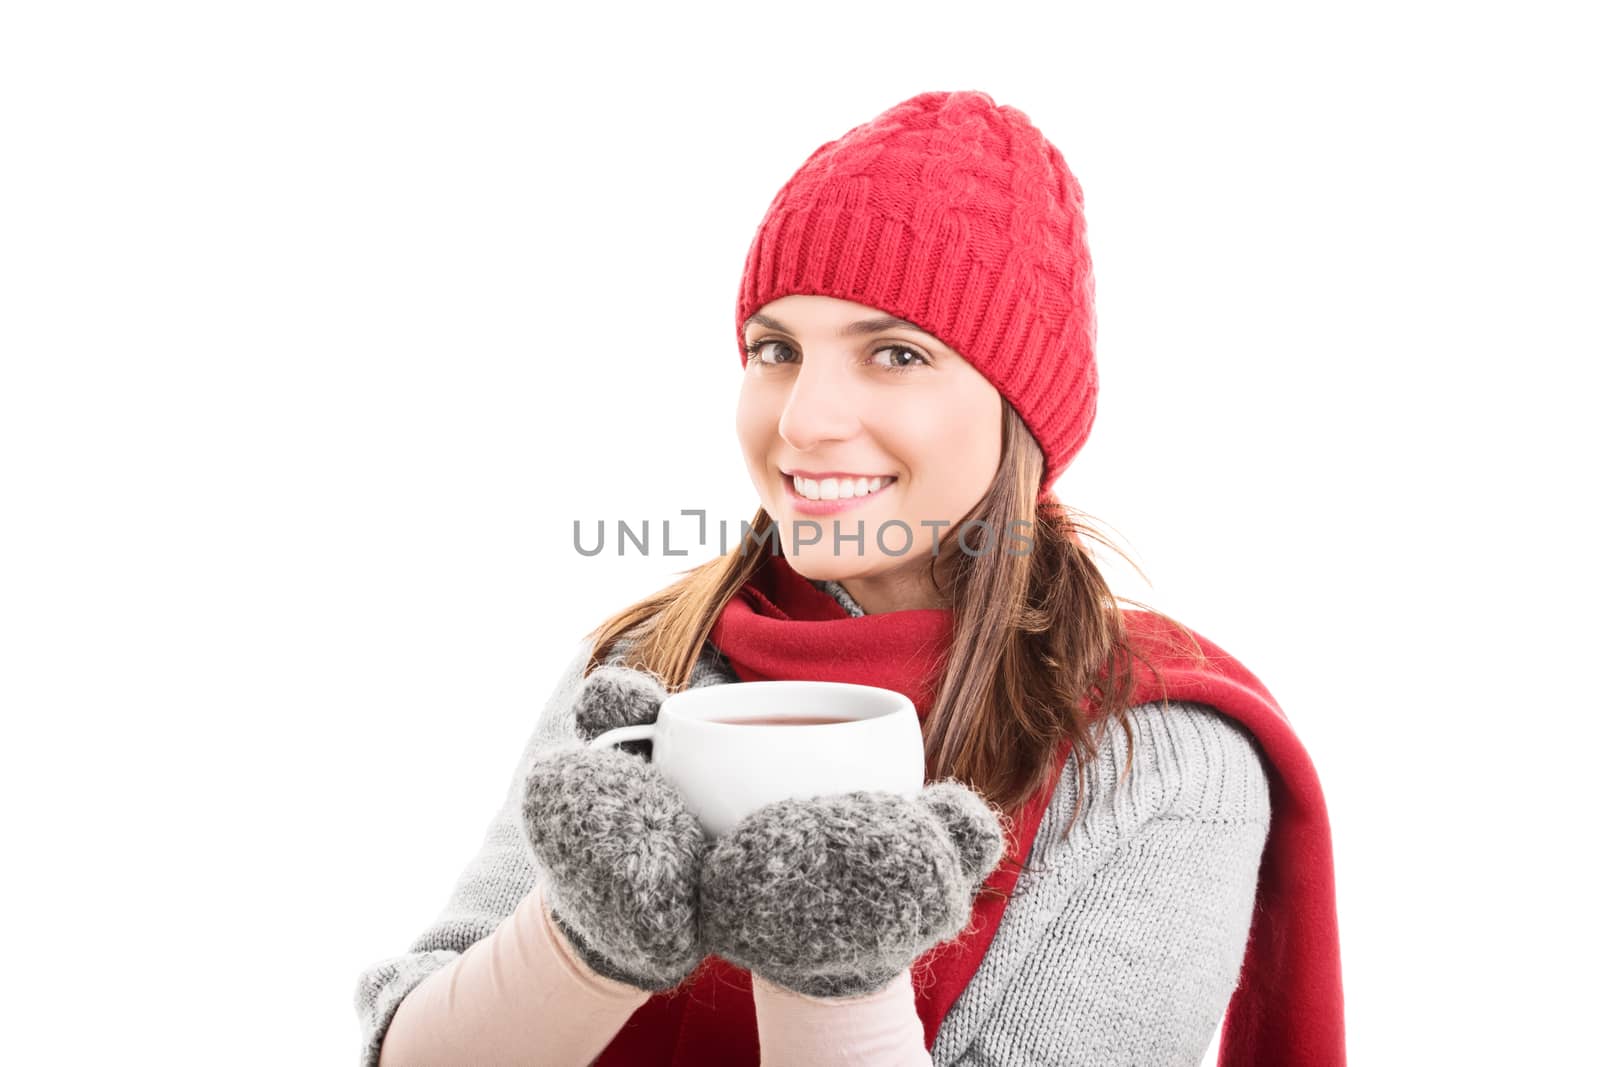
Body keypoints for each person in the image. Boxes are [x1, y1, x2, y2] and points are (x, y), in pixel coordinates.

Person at [353, 89, 1347, 1066]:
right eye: (776, 349)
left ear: (1021, 417)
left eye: (896, 353)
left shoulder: (1161, 753)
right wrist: (581, 946)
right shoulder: (649, 668)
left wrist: (837, 982)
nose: (803, 419)